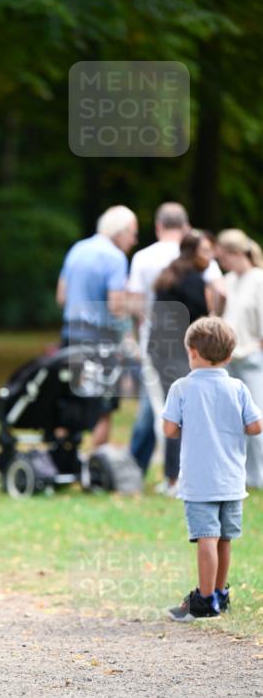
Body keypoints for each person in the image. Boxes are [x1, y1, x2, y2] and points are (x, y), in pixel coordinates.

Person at [162, 317, 262, 621]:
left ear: (192, 352)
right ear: (229, 356)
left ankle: (204, 601)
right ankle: (219, 594)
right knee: (224, 538)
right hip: (232, 479)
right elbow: (255, 426)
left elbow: (169, 430)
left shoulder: (181, 387)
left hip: (199, 481)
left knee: (206, 537)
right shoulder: (238, 387)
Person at [127, 203, 222, 475]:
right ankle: (170, 471)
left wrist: (140, 329)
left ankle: (141, 466)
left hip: (155, 341)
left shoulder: (144, 258)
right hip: (189, 347)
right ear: (185, 226)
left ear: (158, 226)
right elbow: (219, 292)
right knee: (174, 408)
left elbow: (134, 303)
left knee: (158, 405)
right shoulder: (197, 261)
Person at [56, 205, 138, 447]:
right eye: (132, 233)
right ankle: (96, 463)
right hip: (100, 340)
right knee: (103, 404)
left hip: (71, 336)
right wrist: (128, 335)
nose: (134, 240)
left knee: (70, 398)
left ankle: (62, 458)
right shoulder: (115, 258)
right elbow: (116, 305)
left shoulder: (77, 249)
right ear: (120, 231)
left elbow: (62, 296)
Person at [148, 229, 214, 495]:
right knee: (185, 415)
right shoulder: (193, 280)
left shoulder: (170, 274)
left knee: (174, 412)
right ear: (193, 252)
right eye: (206, 251)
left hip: (159, 351)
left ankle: (171, 477)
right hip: (178, 353)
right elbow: (203, 321)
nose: (210, 257)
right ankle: (178, 479)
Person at [211, 229, 263, 488]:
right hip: (229, 360)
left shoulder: (258, 279)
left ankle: (260, 474)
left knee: (255, 418)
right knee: (231, 422)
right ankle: (239, 475)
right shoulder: (228, 281)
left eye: (224, 258)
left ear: (236, 253)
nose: (222, 263)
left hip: (252, 358)